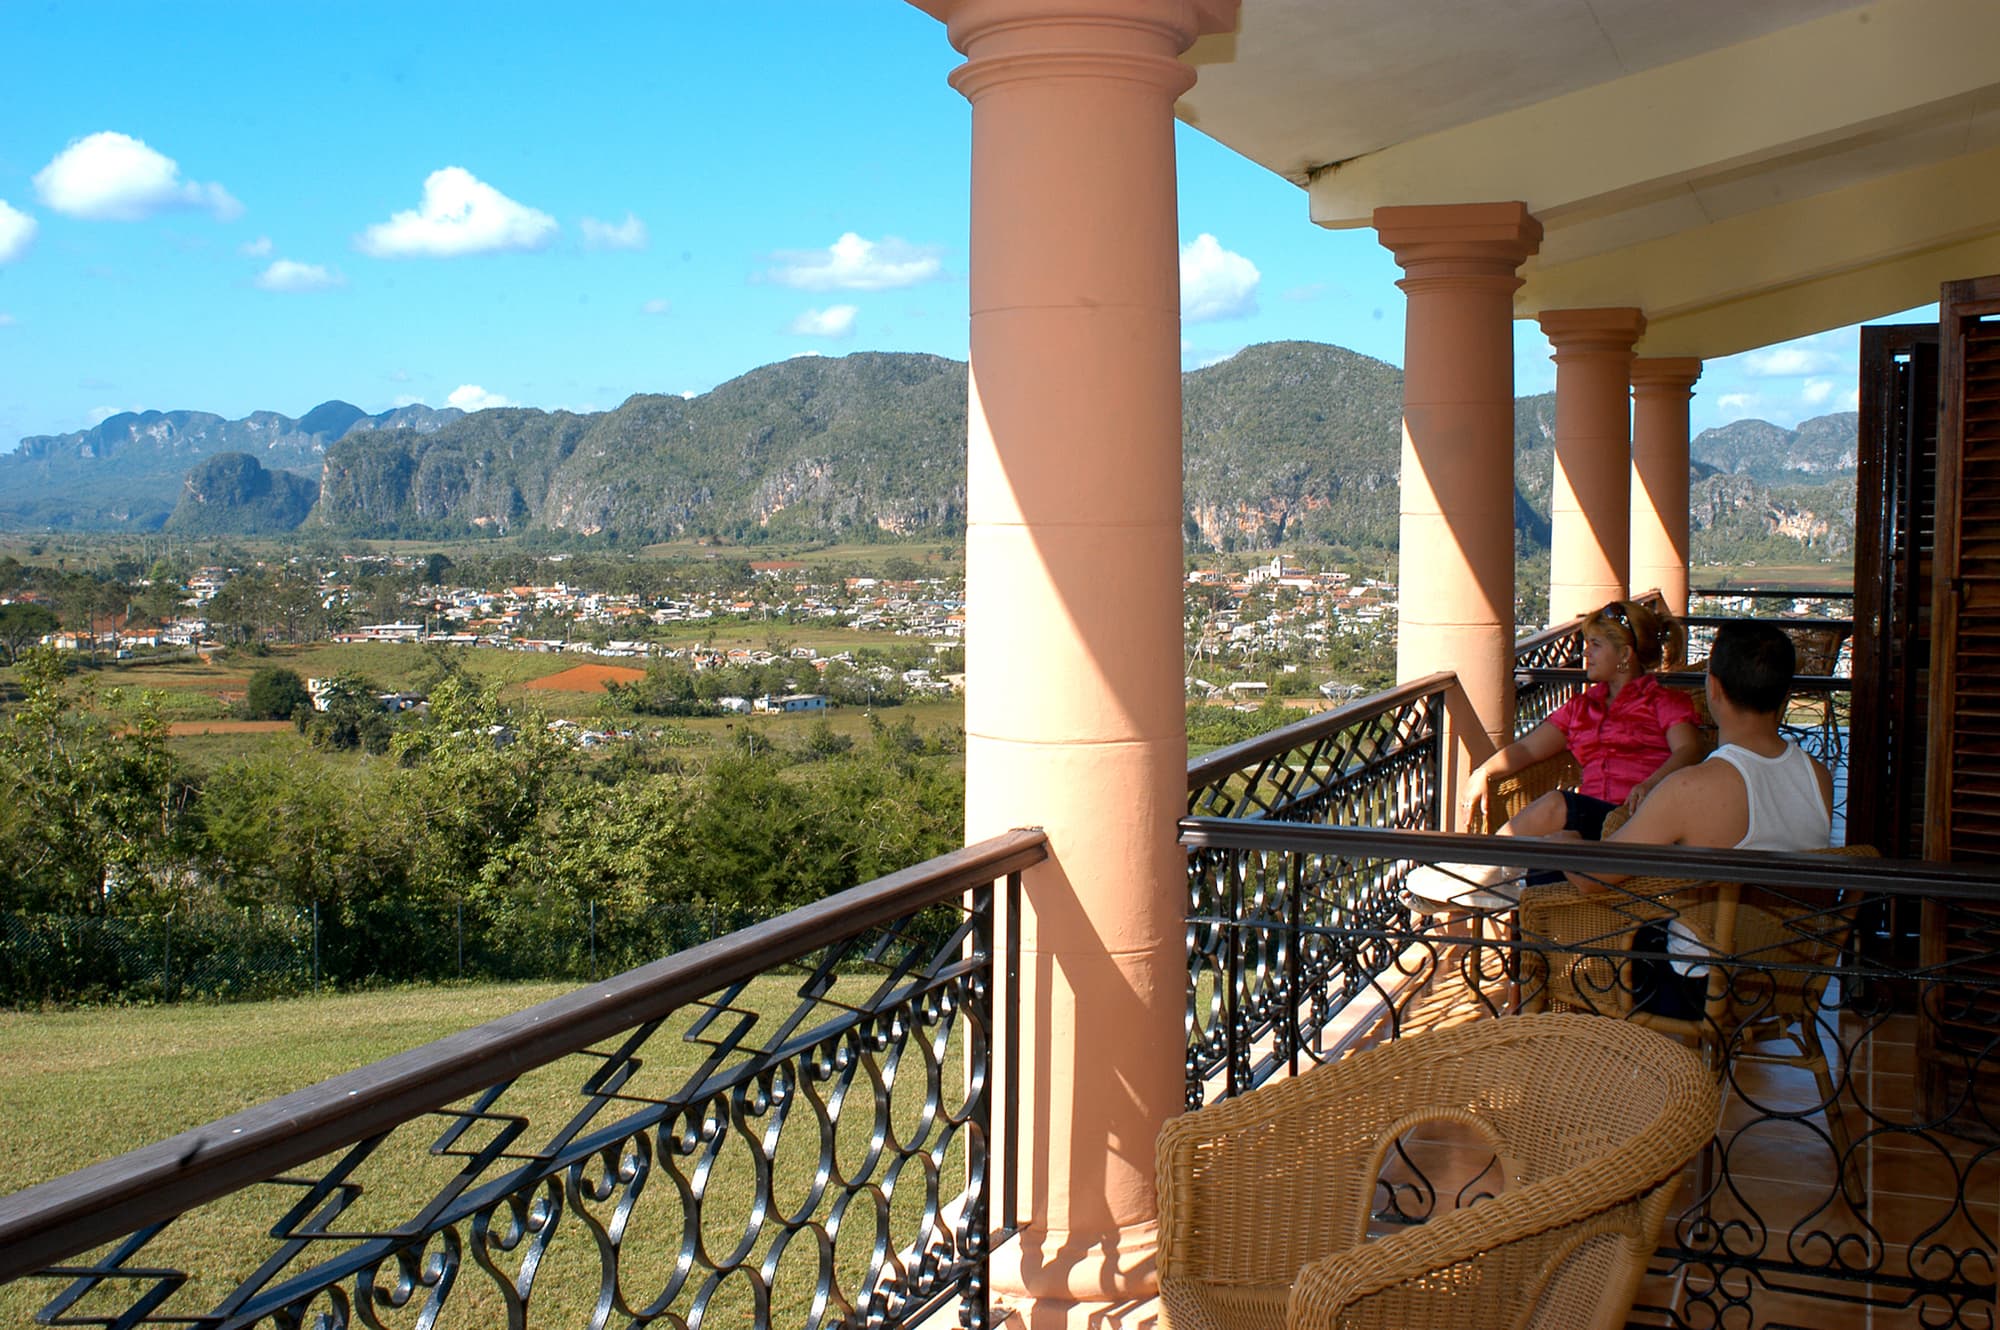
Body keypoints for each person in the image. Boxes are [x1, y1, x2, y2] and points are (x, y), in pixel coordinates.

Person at [1565, 620, 1835, 1016]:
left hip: (1701, 990)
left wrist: (1563, 843)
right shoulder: (1818, 776)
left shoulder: (1693, 786)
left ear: (1713, 687)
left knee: (1556, 882)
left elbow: (1594, 878)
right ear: (1785, 693)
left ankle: (1550, 1034)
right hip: (1782, 980)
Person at [1461, 599, 1702, 840]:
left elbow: (1689, 749)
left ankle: (1487, 858)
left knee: (1556, 805)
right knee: (1561, 841)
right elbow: (1527, 749)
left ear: (1625, 654)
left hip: (1641, 816)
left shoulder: (1663, 702)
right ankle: (1493, 859)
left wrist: (1652, 783)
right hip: (1593, 820)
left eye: (1595, 644)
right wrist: (1484, 771)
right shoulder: (1582, 707)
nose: (1586, 652)